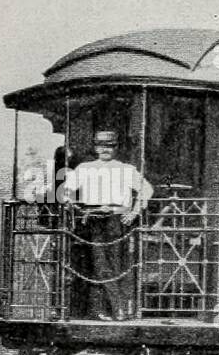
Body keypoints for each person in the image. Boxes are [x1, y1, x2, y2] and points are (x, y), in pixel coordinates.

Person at [65, 130, 153, 320]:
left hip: (116, 221)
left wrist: (134, 212)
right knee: (96, 266)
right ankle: (106, 310)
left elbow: (146, 189)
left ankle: (116, 309)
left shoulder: (126, 169)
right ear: (95, 147)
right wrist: (75, 206)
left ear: (116, 148)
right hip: (92, 221)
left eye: (110, 146)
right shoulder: (84, 169)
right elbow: (66, 192)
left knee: (116, 265)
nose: (105, 149)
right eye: (101, 145)